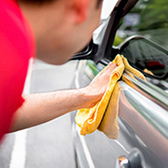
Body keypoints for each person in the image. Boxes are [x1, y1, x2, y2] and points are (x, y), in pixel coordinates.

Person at [0, 0, 117, 143]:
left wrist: (86, 95)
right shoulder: (9, 50)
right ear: (80, 7)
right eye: (94, 30)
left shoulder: (9, 31)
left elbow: (7, 112)